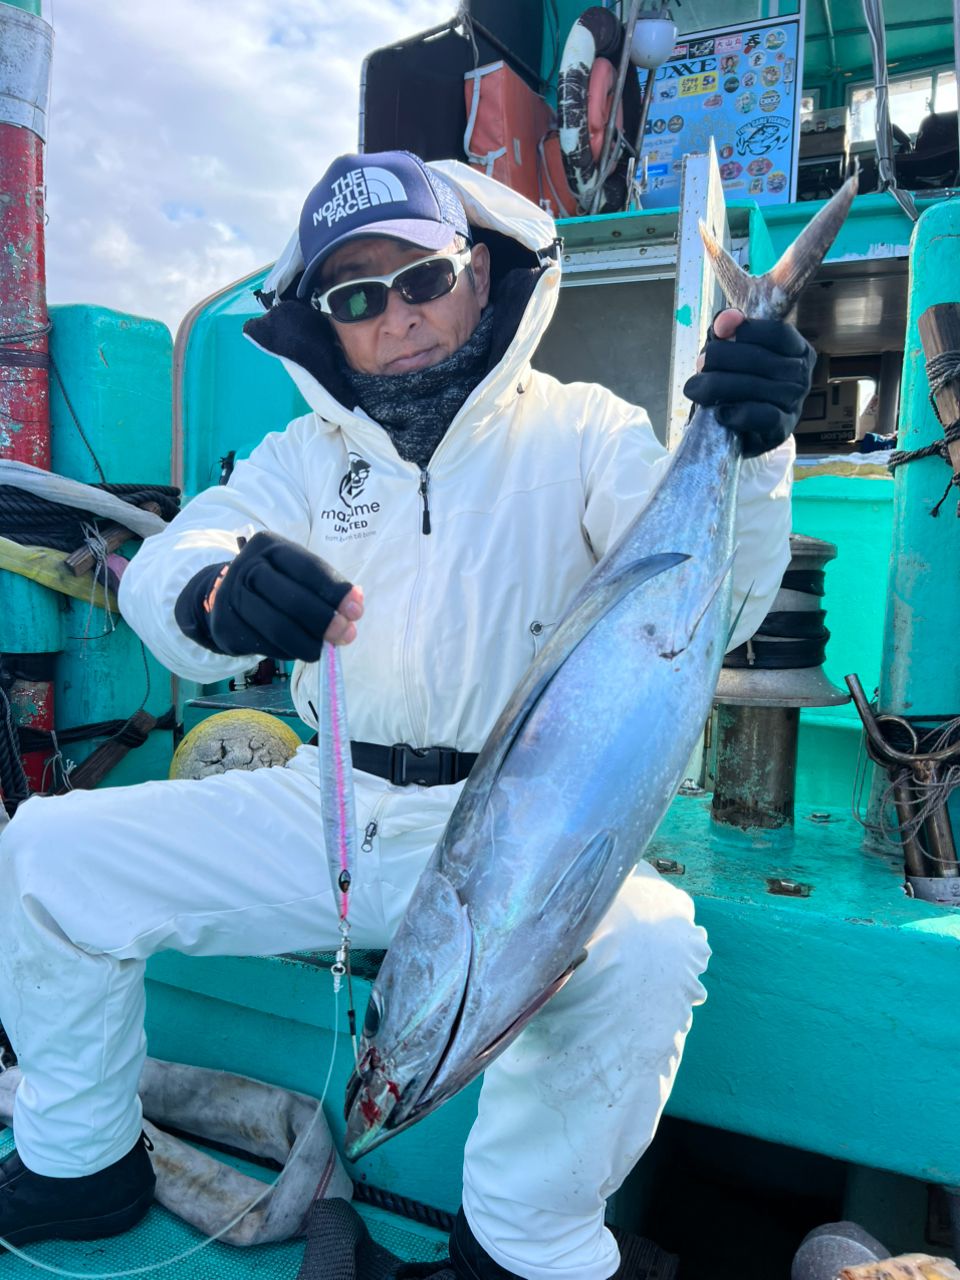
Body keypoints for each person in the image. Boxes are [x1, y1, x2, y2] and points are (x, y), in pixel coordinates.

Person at [0, 150, 813, 1279]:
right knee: (45, 851)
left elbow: (710, 606)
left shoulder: (585, 430)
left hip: (531, 814)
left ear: (479, 272)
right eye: (356, 298)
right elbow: (180, 552)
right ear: (326, 326)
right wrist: (214, 591)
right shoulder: (299, 456)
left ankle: (524, 1243)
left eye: (422, 276)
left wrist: (759, 449)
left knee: (649, 945)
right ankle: (76, 1163)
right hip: (329, 803)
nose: (398, 316)